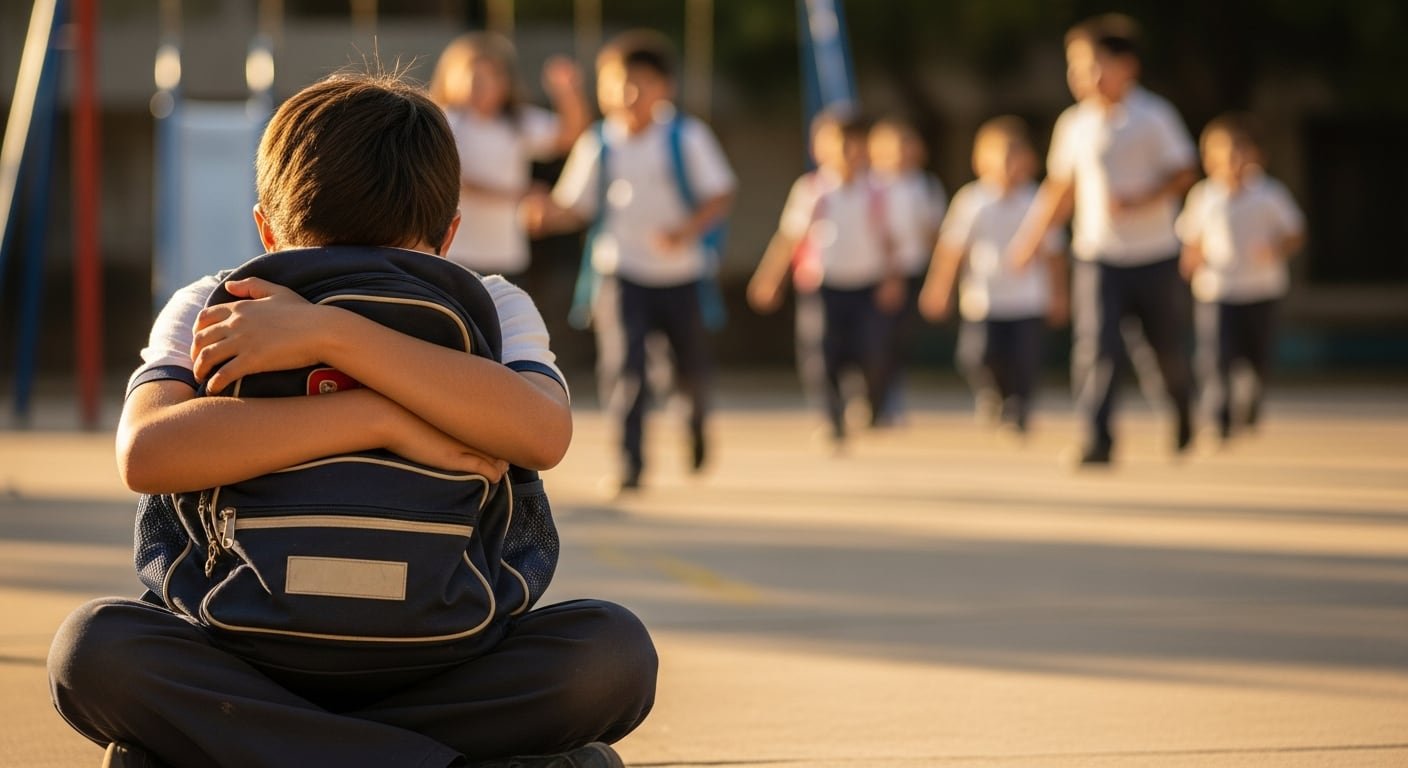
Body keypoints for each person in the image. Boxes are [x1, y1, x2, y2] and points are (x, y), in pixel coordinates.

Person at [48, 71, 655, 768]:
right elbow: (149, 452)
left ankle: (266, 752)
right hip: (324, 660)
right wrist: (379, 420)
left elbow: (540, 434)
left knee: (610, 655)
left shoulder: (486, 304)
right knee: (92, 648)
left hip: (310, 678)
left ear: (266, 228)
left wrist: (327, 333)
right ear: (449, 233)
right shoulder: (211, 304)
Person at [525, 29, 736, 492]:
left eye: (640, 82)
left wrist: (686, 231)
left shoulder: (686, 136)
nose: (627, 93)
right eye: (616, 82)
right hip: (618, 273)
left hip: (682, 275)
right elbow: (574, 206)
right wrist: (545, 213)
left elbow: (720, 193)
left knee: (690, 369)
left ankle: (695, 422)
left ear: (666, 87)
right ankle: (631, 463)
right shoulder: (599, 143)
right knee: (625, 370)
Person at [1010, 13, 1199, 466]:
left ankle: (1182, 406)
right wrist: (1031, 239)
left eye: (1091, 64)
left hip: (1154, 255)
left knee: (1163, 350)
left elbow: (1184, 172)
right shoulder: (1074, 124)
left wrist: (1143, 199)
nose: (1080, 76)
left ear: (1126, 66)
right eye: (1073, 66)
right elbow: (1061, 188)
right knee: (1097, 348)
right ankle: (1097, 439)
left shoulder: (1154, 116)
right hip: (1098, 256)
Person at [748, 110, 906, 447]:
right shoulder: (811, 191)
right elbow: (789, 237)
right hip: (822, 284)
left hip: (867, 284)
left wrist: (893, 278)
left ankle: (872, 401)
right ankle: (832, 418)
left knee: (873, 351)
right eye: (837, 143)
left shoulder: (880, 191)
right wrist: (771, 277)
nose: (846, 151)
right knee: (820, 354)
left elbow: (892, 241)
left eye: (853, 143)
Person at [919, 116, 1068, 436]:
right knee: (977, 356)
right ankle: (994, 395)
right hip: (983, 297)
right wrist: (939, 287)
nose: (1008, 166)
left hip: (1028, 298)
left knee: (1025, 360)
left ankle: (1020, 409)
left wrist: (1059, 294)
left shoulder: (1039, 201)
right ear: (980, 162)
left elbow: (1054, 254)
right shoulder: (972, 201)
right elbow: (952, 250)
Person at [1176, 113, 1305, 443]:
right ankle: (1218, 418)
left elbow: (1294, 232)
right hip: (1217, 289)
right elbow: (1192, 236)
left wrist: (1275, 249)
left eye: (1239, 151)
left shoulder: (1269, 193)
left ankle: (1251, 399)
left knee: (1257, 356)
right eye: (1224, 152)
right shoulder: (1204, 196)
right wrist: (1191, 259)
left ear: (1254, 155)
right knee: (1215, 356)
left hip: (1261, 289)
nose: (1232, 160)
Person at [428, 31, 588, 283]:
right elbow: (456, 182)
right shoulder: (444, 122)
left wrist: (568, 93)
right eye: (473, 76)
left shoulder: (517, 122)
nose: (480, 85)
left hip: (506, 257)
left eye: (490, 77)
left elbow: (569, 137)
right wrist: (519, 194)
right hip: (456, 254)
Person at [869, 117, 947, 425]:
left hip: (913, 271)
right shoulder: (869, 185)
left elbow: (936, 233)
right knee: (872, 340)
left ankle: (889, 398)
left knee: (899, 339)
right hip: (873, 274)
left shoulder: (925, 185)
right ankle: (871, 397)